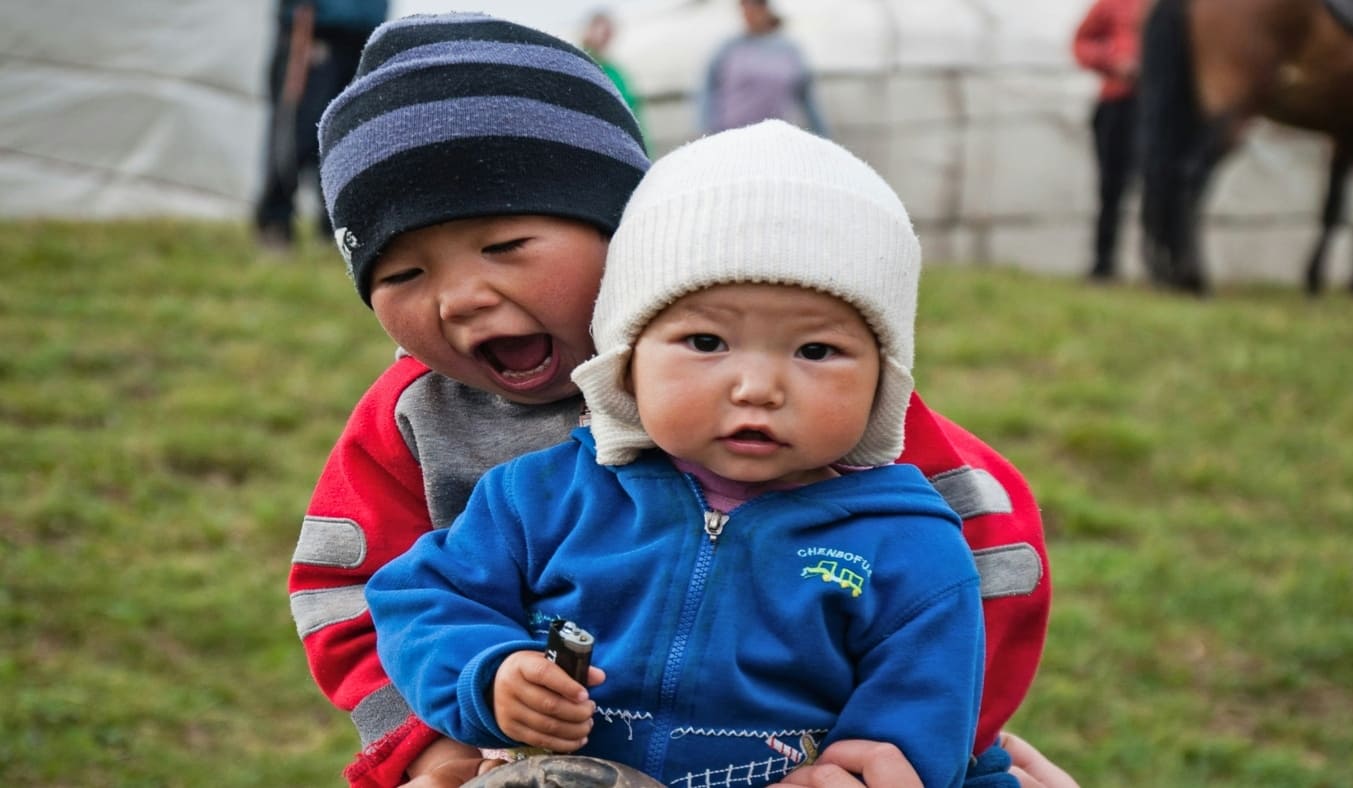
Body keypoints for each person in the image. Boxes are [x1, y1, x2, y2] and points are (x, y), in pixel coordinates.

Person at [291, 12, 1058, 788]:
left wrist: (915, 753)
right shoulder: (427, 426)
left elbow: (967, 589)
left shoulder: (840, 412)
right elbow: (357, 596)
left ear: (626, 232)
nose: (458, 299)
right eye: (401, 276)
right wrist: (430, 739)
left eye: (504, 247)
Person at [366, 119, 987, 786]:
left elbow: (922, 726)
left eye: (816, 351)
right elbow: (424, 599)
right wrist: (488, 676)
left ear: (882, 384)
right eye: (705, 342)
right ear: (627, 363)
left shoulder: (909, 549)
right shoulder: (541, 498)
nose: (758, 387)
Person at [254, 0, 387, 250]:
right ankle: (275, 222)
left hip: (364, 30)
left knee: (349, 135)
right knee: (297, 131)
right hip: (314, 25)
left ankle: (336, 231)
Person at [1071, 0, 1147, 281]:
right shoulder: (1113, 4)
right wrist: (1114, 60)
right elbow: (1081, 42)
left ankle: (1160, 265)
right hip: (1119, 102)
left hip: (1163, 108)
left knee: (1161, 187)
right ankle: (1104, 265)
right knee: (1111, 188)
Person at [699, 0, 828, 136]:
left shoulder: (789, 51)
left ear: (765, 9)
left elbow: (805, 96)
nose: (748, 15)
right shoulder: (728, 48)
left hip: (775, 135)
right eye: (744, 10)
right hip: (731, 134)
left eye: (753, 9)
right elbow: (707, 89)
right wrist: (707, 129)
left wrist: (821, 133)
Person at [581, 8, 647, 151]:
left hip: (626, 144)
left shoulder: (615, 72)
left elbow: (633, 109)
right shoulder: (580, 63)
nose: (606, 37)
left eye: (609, 33)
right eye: (602, 32)